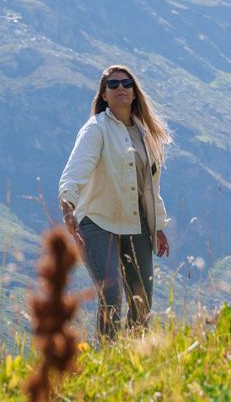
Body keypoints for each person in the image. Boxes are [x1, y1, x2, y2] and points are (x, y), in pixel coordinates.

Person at [57, 63, 171, 337]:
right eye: (113, 84)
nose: (120, 88)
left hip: (137, 224)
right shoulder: (95, 129)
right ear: (104, 95)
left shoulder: (146, 133)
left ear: (134, 93)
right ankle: (109, 355)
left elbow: (149, 186)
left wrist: (158, 224)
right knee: (110, 291)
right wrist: (68, 205)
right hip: (98, 221)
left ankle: (137, 357)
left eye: (126, 84)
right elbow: (76, 170)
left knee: (142, 299)